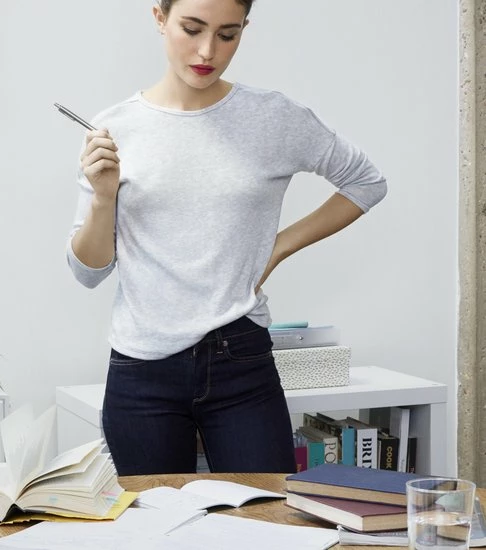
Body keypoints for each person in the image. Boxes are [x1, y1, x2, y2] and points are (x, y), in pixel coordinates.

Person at [66, 0, 387, 475]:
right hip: (142, 368)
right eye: (192, 29)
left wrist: (280, 246)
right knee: (158, 519)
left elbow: (366, 183)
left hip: (241, 358)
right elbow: (88, 272)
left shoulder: (273, 117)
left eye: (227, 34)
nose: (207, 51)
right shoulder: (115, 128)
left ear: (243, 29)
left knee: (269, 513)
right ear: (160, 18)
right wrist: (102, 197)